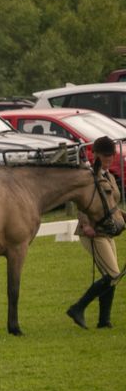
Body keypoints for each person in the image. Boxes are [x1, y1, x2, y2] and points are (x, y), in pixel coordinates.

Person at [66, 136, 120, 329]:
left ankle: (103, 321)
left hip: (108, 232)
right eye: (105, 155)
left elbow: (112, 206)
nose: (109, 158)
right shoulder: (90, 176)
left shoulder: (109, 176)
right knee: (113, 274)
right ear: (95, 154)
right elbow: (83, 203)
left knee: (111, 276)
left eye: (111, 155)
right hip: (93, 232)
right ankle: (77, 308)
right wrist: (85, 223)